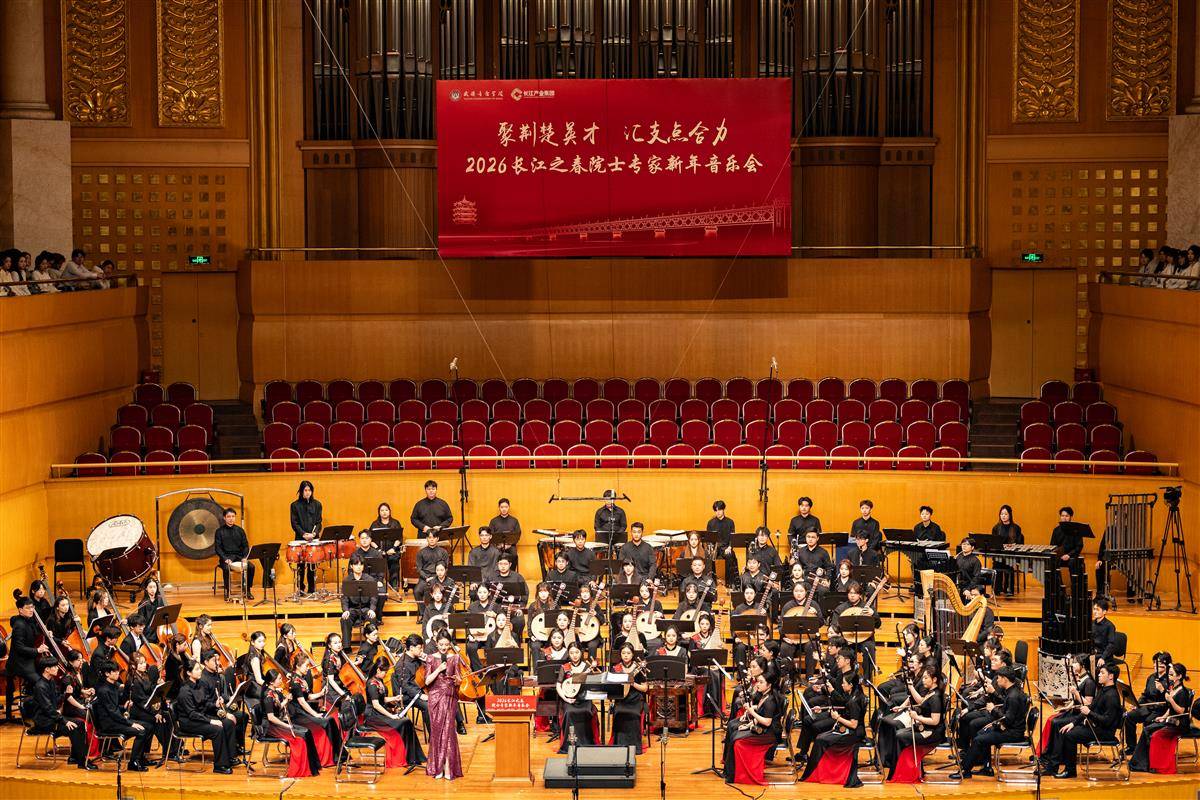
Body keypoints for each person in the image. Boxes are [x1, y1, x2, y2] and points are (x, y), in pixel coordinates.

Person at [1043, 662, 1123, 778]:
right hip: (1095, 726)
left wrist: (1089, 713)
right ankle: (1052, 766)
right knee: (1064, 728)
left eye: (1102, 673)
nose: (1099, 675)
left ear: (1111, 676)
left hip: (1104, 732)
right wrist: (1073, 723)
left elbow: (1107, 721)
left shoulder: (1112, 696)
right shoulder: (1103, 690)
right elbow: (1090, 708)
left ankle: (1070, 771)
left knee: (1069, 735)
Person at [953, 666, 1029, 779]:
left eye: (998, 678)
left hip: (1013, 732)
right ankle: (986, 767)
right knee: (980, 733)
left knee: (979, 739)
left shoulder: (1013, 697)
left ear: (1005, 679)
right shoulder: (1013, 692)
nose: (997, 680)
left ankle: (965, 770)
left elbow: (1008, 720)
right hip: (1009, 728)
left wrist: (993, 710)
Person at [24, 656, 95, 768]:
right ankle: (82, 762)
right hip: (44, 721)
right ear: (47, 669)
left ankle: (75, 757)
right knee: (75, 727)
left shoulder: (51, 681)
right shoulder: (40, 686)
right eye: (55, 666)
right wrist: (64, 721)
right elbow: (48, 709)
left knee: (80, 723)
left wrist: (66, 694)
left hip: (52, 718)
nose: (57, 668)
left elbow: (56, 701)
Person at [800, 670, 867, 787]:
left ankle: (815, 773)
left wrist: (838, 718)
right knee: (820, 737)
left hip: (853, 734)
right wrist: (824, 709)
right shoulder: (852, 695)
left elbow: (853, 724)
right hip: (848, 729)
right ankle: (821, 771)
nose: (842, 685)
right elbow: (844, 707)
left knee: (820, 739)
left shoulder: (854, 701)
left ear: (851, 685)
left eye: (844, 683)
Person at [175, 659, 238, 773]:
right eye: (197, 669)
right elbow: (192, 714)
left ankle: (230, 757)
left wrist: (215, 704)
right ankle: (220, 765)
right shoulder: (185, 691)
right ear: (189, 673)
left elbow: (205, 702)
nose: (200, 671)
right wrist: (211, 721)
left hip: (200, 717)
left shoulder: (199, 684)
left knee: (228, 723)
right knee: (217, 729)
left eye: (200, 668)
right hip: (189, 723)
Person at [1129, 662, 1194, 772]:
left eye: (1171, 675)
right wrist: (1163, 717)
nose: (1169, 677)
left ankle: (1147, 764)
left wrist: (1171, 700)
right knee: (1147, 729)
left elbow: (1181, 711)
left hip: (1178, 723)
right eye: (1169, 674)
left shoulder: (1183, 692)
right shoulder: (1172, 688)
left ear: (1179, 676)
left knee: (1150, 732)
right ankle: (1142, 763)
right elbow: (1170, 709)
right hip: (1169, 720)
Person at [362, 657, 425, 769]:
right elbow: (376, 705)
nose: (386, 674)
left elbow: (382, 699)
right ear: (378, 670)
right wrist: (391, 716)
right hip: (373, 716)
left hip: (379, 712)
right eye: (385, 672)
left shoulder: (379, 680)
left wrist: (394, 698)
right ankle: (402, 757)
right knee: (400, 724)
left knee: (407, 722)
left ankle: (414, 757)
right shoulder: (372, 684)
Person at [93, 660, 154, 770]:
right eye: (114, 671)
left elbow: (114, 707)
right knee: (141, 731)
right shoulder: (103, 690)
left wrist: (124, 707)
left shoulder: (113, 686)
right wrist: (130, 723)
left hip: (115, 720)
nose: (118, 673)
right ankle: (133, 762)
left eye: (117, 671)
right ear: (107, 674)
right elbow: (112, 713)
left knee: (149, 726)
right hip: (109, 724)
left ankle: (140, 758)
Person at [723, 671, 781, 785]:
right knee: (735, 735)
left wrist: (751, 711)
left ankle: (733, 775)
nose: (758, 684)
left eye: (761, 682)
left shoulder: (770, 700)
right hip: (763, 730)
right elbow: (761, 714)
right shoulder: (765, 695)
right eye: (758, 682)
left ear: (769, 685)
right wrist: (748, 725)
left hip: (769, 734)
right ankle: (730, 773)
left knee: (737, 740)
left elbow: (767, 722)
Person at [421, 631, 464, 778]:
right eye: (441, 644)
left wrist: (457, 680)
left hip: (450, 696)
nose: (444, 647)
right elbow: (427, 681)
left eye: (446, 644)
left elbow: (459, 680)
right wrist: (439, 669)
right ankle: (437, 767)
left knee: (449, 731)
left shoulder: (455, 658)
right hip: (435, 697)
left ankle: (448, 767)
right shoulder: (431, 658)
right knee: (437, 731)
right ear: (436, 643)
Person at [1124, 651, 1171, 753]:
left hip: (1160, 710)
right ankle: (1131, 747)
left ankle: (1145, 749)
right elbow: (1145, 695)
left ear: (1165, 665)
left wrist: (1162, 690)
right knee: (1129, 717)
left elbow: (1170, 701)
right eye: (1154, 663)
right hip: (1147, 708)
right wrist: (1137, 704)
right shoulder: (1151, 677)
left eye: (1158, 663)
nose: (1154, 665)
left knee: (1149, 721)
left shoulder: (1170, 680)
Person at [556, 641, 598, 752]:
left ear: (581, 652)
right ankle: (570, 744)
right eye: (571, 653)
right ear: (568, 654)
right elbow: (558, 685)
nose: (574, 655)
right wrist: (565, 698)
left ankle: (586, 743)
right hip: (569, 699)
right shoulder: (565, 667)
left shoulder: (587, 666)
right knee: (569, 712)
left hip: (584, 699)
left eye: (577, 652)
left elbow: (593, 684)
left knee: (586, 711)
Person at [610, 643, 648, 752]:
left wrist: (633, 684)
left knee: (634, 713)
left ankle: (635, 746)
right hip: (621, 699)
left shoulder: (638, 668)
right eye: (623, 653)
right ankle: (619, 745)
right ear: (620, 654)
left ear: (632, 654)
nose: (626, 655)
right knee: (618, 712)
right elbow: (611, 687)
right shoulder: (616, 668)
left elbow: (645, 688)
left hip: (636, 699)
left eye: (628, 653)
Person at [214, 507, 255, 601]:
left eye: (233, 516)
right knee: (226, 568)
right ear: (224, 518)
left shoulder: (240, 530)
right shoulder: (219, 531)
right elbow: (217, 548)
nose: (231, 518)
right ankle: (227, 591)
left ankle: (247, 590)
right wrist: (225, 558)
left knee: (251, 567)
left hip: (239, 557)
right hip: (226, 557)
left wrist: (244, 557)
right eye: (229, 516)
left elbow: (245, 546)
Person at [290, 481, 323, 595]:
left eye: (309, 490)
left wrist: (314, 534)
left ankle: (312, 588)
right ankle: (300, 588)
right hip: (300, 538)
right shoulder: (294, 505)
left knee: (312, 564)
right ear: (301, 491)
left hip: (313, 539)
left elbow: (319, 522)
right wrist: (303, 534)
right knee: (301, 564)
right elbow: (294, 523)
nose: (308, 492)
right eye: (305, 490)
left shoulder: (317, 504)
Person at [367, 501, 403, 591]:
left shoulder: (395, 523)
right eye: (382, 510)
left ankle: (394, 584)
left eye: (386, 510)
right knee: (376, 564)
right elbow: (370, 539)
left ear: (389, 511)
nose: (384, 512)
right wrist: (378, 550)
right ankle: (378, 584)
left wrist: (393, 548)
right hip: (379, 551)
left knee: (394, 563)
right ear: (379, 512)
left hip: (392, 550)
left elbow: (399, 538)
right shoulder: (375, 524)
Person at [706, 500, 740, 588]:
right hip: (715, 547)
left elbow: (732, 537)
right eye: (716, 510)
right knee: (709, 557)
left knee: (729, 556)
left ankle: (729, 582)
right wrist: (711, 549)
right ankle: (712, 581)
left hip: (726, 547)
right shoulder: (710, 523)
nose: (718, 512)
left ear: (723, 509)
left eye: (720, 510)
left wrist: (730, 547)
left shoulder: (730, 522)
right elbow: (708, 538)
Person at [991, 505, 1023, 595]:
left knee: (1009, 563)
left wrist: (1013, 545)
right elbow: (994, 542)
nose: (1003, 516)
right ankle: (997, 588)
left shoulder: (1016, 528)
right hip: (999, 553)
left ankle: (1008, 588)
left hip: (1011, 554)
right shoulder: (996, 528)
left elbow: (1020, 543)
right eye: (1001, 514)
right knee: (997, 562)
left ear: (1010, 515)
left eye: (1005, 514)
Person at [414, 529, 451, 603]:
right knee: (417, 591)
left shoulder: (443, 552)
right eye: (430, 537)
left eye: (434, 537)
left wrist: (437, 577)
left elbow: (446, 567)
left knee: (444, 591)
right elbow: (419, 569)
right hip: (425, 578)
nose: (432, 539)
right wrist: (427, 578)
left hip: (439, 577)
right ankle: (422, 610)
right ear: (427, 538)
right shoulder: (421, 552)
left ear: (437, 539)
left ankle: (440, 608)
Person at [487, 498, 522, 570]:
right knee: (493, 553)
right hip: (497, 546)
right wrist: (498, 545)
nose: (504, 509)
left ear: (509, 507)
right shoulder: (493, 521)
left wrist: (508, 545)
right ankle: (496, 573)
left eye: (506, 507)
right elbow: (490, 535)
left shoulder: (514, 520)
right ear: (499, 507)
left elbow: (517, 535)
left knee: (514, 554)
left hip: (510, 546)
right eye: (502, 507)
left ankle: (511, 573)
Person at [1092, 598, 1119, 667]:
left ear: (1104, 612)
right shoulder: (1091, 624)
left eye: (1097, 609)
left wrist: (1103, 658)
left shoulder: (1110, 626)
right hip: (1093, 654)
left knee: (1097, 666)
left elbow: (1111, 644)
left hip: (1104, 656)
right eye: (1094, 609)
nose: (1095, 611)